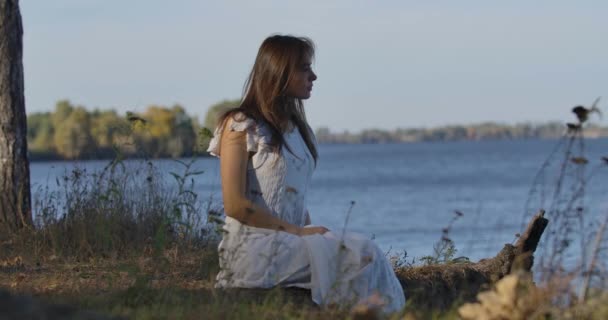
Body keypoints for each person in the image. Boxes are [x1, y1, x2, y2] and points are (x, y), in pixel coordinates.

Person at [207, 34, 406, 313]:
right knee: (363, 254)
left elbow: (294, 200)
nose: (313, 76)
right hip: (251, 248)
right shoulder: (240, 125)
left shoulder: (298, 130)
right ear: (279, 72)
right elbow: (236, 205)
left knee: (363, 252)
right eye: (304, 68)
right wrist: (300, 232)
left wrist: (309, 233)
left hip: (290, 239)